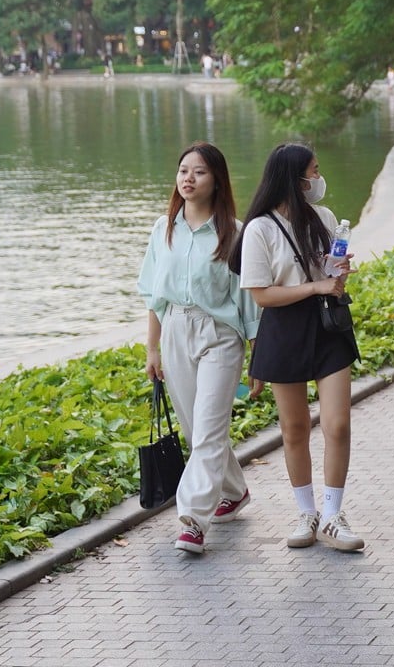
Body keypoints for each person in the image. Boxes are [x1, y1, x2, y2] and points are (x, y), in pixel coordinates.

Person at [230, 143, 365, 552]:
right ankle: (305, 513)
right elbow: (261, 295)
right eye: (314, 171)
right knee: (294, 428)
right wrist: (316, 285)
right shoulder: (260, 229)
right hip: (284, 329)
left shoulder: (323, 217)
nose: (318, 179)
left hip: (328, 325)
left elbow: (326, 276)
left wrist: (336, 272)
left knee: (337, 423)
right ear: (294, 177)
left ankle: (332, 515)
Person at [138, 143, 261, 554]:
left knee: (209, 428)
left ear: (217, 181)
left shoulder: (236, 233)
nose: (188, 178)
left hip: (220, 337)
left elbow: (248, 301)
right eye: (183, 171)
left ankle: (192, 520)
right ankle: (235, 490)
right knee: (197, 431)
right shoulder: (163, 228)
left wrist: (258, 356)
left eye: (200, 172)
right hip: (174, 329)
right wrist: (152, 350)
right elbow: (155, 296)